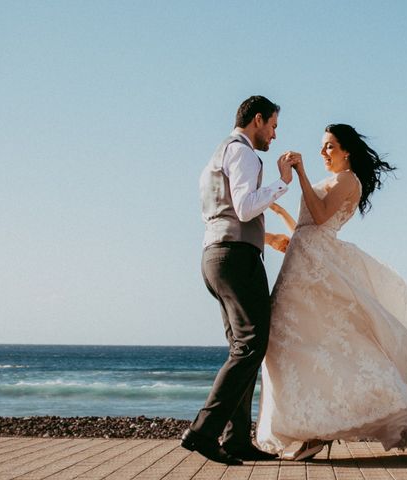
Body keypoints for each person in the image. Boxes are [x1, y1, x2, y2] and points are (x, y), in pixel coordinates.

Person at [256, 124, 407, 460]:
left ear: (347, 151)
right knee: (295, 343)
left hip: (313, 266)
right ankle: (313, 427)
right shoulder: (335, 180)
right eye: (322, 147)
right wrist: (284, 216)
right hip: (303, 262)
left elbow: (319, 215)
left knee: (305, 341)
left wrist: (301, 173)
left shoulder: (348, 179)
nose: (322, 153)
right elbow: (306, 227)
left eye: (329, 147)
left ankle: (320, 430)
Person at [181, 96, 296, 465]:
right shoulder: (245, 153)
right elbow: (246, 207)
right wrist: (283, 182)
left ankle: (236, 441)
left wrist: (266, 237)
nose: (275, 135)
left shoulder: (217, 155)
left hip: (214, 256)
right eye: (273, 126)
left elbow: (227, 211)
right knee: (251, 346)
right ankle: (204, 432)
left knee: (241, 348)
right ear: (257, 120)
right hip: (237, 259)